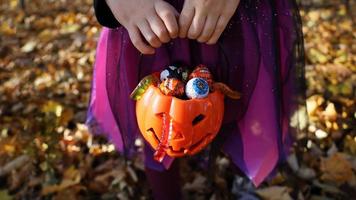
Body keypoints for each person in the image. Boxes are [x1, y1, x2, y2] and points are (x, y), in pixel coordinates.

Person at [87, 0, 306, 199]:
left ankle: (246, 181)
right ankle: (166, 193)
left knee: (249, 98)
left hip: (238, 13)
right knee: (155, 115)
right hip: (144, 11)